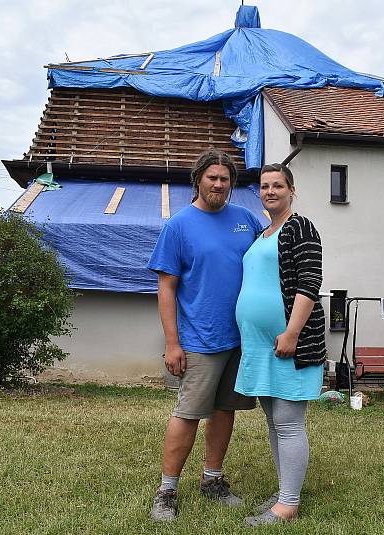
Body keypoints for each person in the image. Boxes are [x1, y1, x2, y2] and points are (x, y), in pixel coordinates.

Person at [147, 149, 264, 522]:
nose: (219, 184)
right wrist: (172, 342)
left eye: (225, 178)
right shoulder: (178, 226)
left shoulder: (246, 220)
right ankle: (166, 491)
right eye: (212, 177)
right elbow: (166, 288)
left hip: (241, 339)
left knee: (225, 409)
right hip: (199, 339)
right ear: (198, 180)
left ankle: (212, 480)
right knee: (188, 413)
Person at [233, 163, 326, 526]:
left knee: (288, 421)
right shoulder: (263, 233)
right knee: (274, 422)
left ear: (291, 190)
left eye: (278, 185)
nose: (270, 191)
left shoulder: (298, 226)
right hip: (260, 345)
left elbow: (309, 281)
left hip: (289, 342)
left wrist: (291, 333)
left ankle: (287, 505)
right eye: (265, 186)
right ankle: (286, 489)